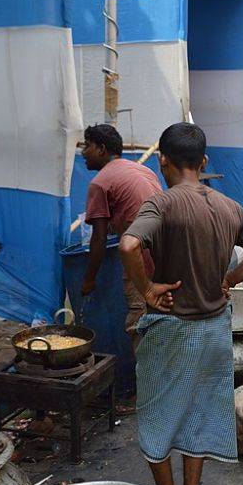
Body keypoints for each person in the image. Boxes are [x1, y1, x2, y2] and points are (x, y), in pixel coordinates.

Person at [120, 123, 243, 485]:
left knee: (158, 416)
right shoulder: (228, 206)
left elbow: (128, 245)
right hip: (214, 330)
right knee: (199, 415)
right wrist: (230, 279)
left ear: (163, 161)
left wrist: (147, 289)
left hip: (173, 329)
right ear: (204, 162)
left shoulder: (162, 203)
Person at [81, 124, 163, 348]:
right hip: (168, 257)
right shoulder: (144, 170)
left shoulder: (100, 183)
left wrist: (88, 280)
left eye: (87, 146)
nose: (83, 152)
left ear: (101, 149)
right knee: (162, 322)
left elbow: (98, 239)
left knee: (139, 323)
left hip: (141, 260)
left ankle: (145, 380)